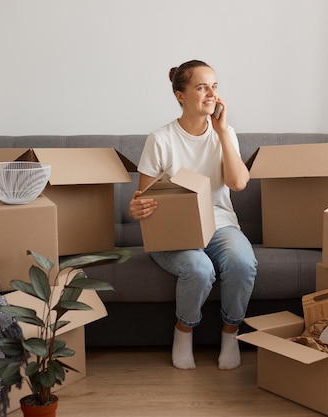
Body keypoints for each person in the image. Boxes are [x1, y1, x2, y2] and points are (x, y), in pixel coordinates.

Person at [129, 60, 258, 370]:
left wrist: (223, 132)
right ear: (180, 96)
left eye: (214, 86)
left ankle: (230, 334)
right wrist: (137, 208)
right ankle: (183, 331)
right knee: (199, 269)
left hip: (220, 225)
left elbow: (238, 183)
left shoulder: (226, 134)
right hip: (174, 231)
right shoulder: (160, 139)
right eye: (201, 87)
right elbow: (144, 201)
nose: (211, 94)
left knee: (243, 263)